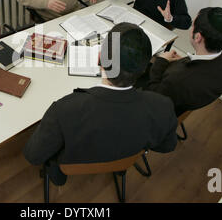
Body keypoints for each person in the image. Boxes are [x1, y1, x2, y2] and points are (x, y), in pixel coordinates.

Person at [23, 23, 178, 185]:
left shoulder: (64, 110)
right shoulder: (163, 106)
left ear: (99, 60)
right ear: (144, 68)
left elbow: (33, 155)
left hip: (71, 163)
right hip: (122, 160)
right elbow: (167, 146)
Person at [139, 7, 222, 117]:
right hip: (182, 100)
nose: (191, 27)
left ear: (198, 37)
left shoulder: (178, 79)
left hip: (157, 109)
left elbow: (154, 94)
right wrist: (184, 62)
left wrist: (161, 61)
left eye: (193, 25)